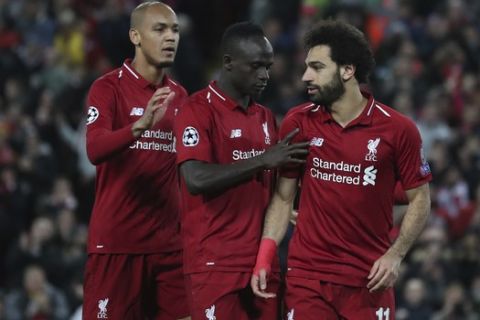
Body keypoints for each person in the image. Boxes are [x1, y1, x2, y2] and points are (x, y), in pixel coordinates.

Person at [251, 20, 432, 319]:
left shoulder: (399, 130)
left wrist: (395, 255)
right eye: (307, 66)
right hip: (308, 278)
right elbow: (283, 198)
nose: (306, 76)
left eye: (317, 67)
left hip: (368, 281)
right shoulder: (298, 122)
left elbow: (420, 198)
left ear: (347, 70)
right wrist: (265, 258)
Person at [173, 22, 309, 320]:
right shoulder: (195, 110)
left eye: (268, 66)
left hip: (262, 262)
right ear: (228, 63)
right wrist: (262, 160)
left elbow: (270, 180)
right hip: (215, 262)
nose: (264, 75)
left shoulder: (264, 117)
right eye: (256, 66)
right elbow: (196, 179)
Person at [83, 2, 190, 319]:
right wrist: (138, 126)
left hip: (170, 247)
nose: (170, 37)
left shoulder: (181, 96)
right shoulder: (107, 88)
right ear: (135, 36)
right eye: (160, 29)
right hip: (118, 246)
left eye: (174, 30)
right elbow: (94, 150)